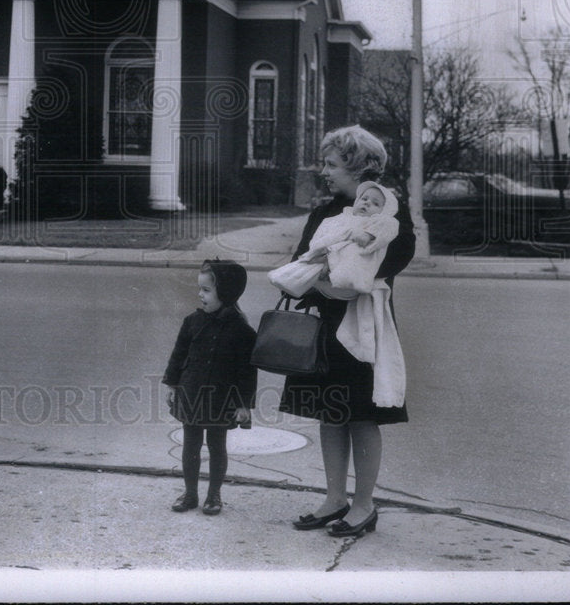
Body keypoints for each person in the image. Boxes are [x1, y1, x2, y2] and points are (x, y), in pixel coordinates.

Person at [277, 126, 415, 538]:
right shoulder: (324, 212)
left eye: (331, 164)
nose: (324, 171)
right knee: (330, 412)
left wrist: (329, 279)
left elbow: (383, 265)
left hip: (362, 328)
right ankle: (334, 498)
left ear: (360, 168)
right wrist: (317, 279)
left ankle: (363, 505)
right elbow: (302, 258)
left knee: (361, 416)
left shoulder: (389, 214)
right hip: (324, 322)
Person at [162, 259, 257, 516]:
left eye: (206, 290)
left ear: (225, 293)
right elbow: (178, 355)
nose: (200, 295)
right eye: (200, 289)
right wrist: (171, 384)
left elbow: (247, 372)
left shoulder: (242, 331)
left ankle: (214, 495)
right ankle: (190, 493)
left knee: (217, 445)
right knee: (190, 444)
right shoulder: (192, 321)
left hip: (221, 399)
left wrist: (244, 404)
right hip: (191, 393)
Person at [268, 181, 400, 299]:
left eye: (375, 204)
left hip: (351, 273)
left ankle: (291, 280)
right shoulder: (341, 218)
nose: (367, 203)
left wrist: (368, 234)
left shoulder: (380, 222)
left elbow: (385, 229)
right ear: (356, 201)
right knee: (305, 267)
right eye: (364, 198)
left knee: (333, 268)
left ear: (384, 211)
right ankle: (287, 279)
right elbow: (326, 237)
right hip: (329, 261)